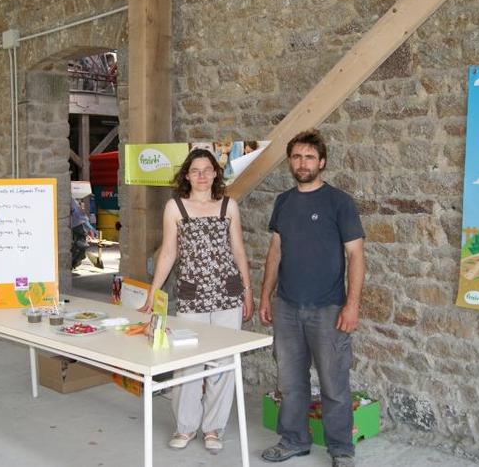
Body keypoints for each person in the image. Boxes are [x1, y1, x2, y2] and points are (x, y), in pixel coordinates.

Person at [259, 130, 365, 467]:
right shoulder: (284, 202)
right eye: (296, 157)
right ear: (290, 162)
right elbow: (275, 252)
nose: (302, 163)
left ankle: (341, 449)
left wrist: (352, 305)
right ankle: (294, 440)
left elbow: (356, 257)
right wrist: (266, 296)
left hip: (328, 309)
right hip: (287, 306)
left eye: (309, 157)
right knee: (290, 382)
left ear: (321, 163)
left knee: (334, 384)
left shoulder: (339, 202)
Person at [139, 148, 254, 453]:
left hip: (227, 295)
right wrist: (153, 293)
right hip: (191, 296)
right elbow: (167, 253)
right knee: (187, 363)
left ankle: (214, 428)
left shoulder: (228, 206)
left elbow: (239, 251)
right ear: (186, 175)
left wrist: (248, 290)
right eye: (195, 170)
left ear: (216, 173)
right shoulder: (175, 208)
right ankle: (186, 426)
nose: (202, 176)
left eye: (207, 169)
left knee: (222, 364)